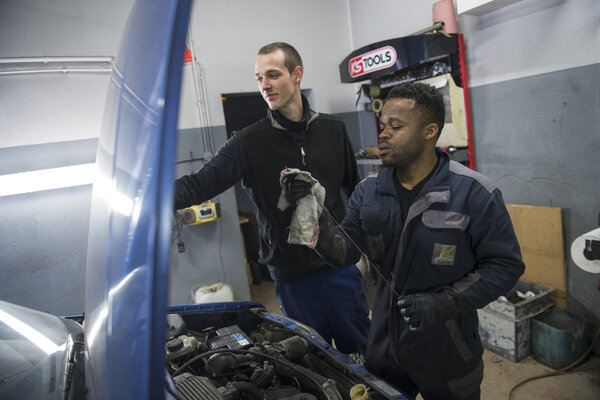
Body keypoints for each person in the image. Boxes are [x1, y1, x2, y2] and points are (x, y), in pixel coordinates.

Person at [305, 82, 525, 399]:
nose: (383, 134)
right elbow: (345, 252)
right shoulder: (368, 191)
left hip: (449, 352)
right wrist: (317, 219)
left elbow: (505, 265)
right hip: (384, 350)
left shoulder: (474, 193)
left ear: (429, 131)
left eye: (396, 126)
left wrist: (444, 302)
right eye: (383, 126)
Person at [174, 42, 370, 356]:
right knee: (312, 358)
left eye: (273, 75)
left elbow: (353, 192)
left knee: (360, 351)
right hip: (293, 279)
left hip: (339, 270)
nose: (264, 84)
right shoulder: (247, 143)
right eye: (259, 78)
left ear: (297, 75)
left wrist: (359, 251)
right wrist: (147, 197)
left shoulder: (333, 129)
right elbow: (198, 185)